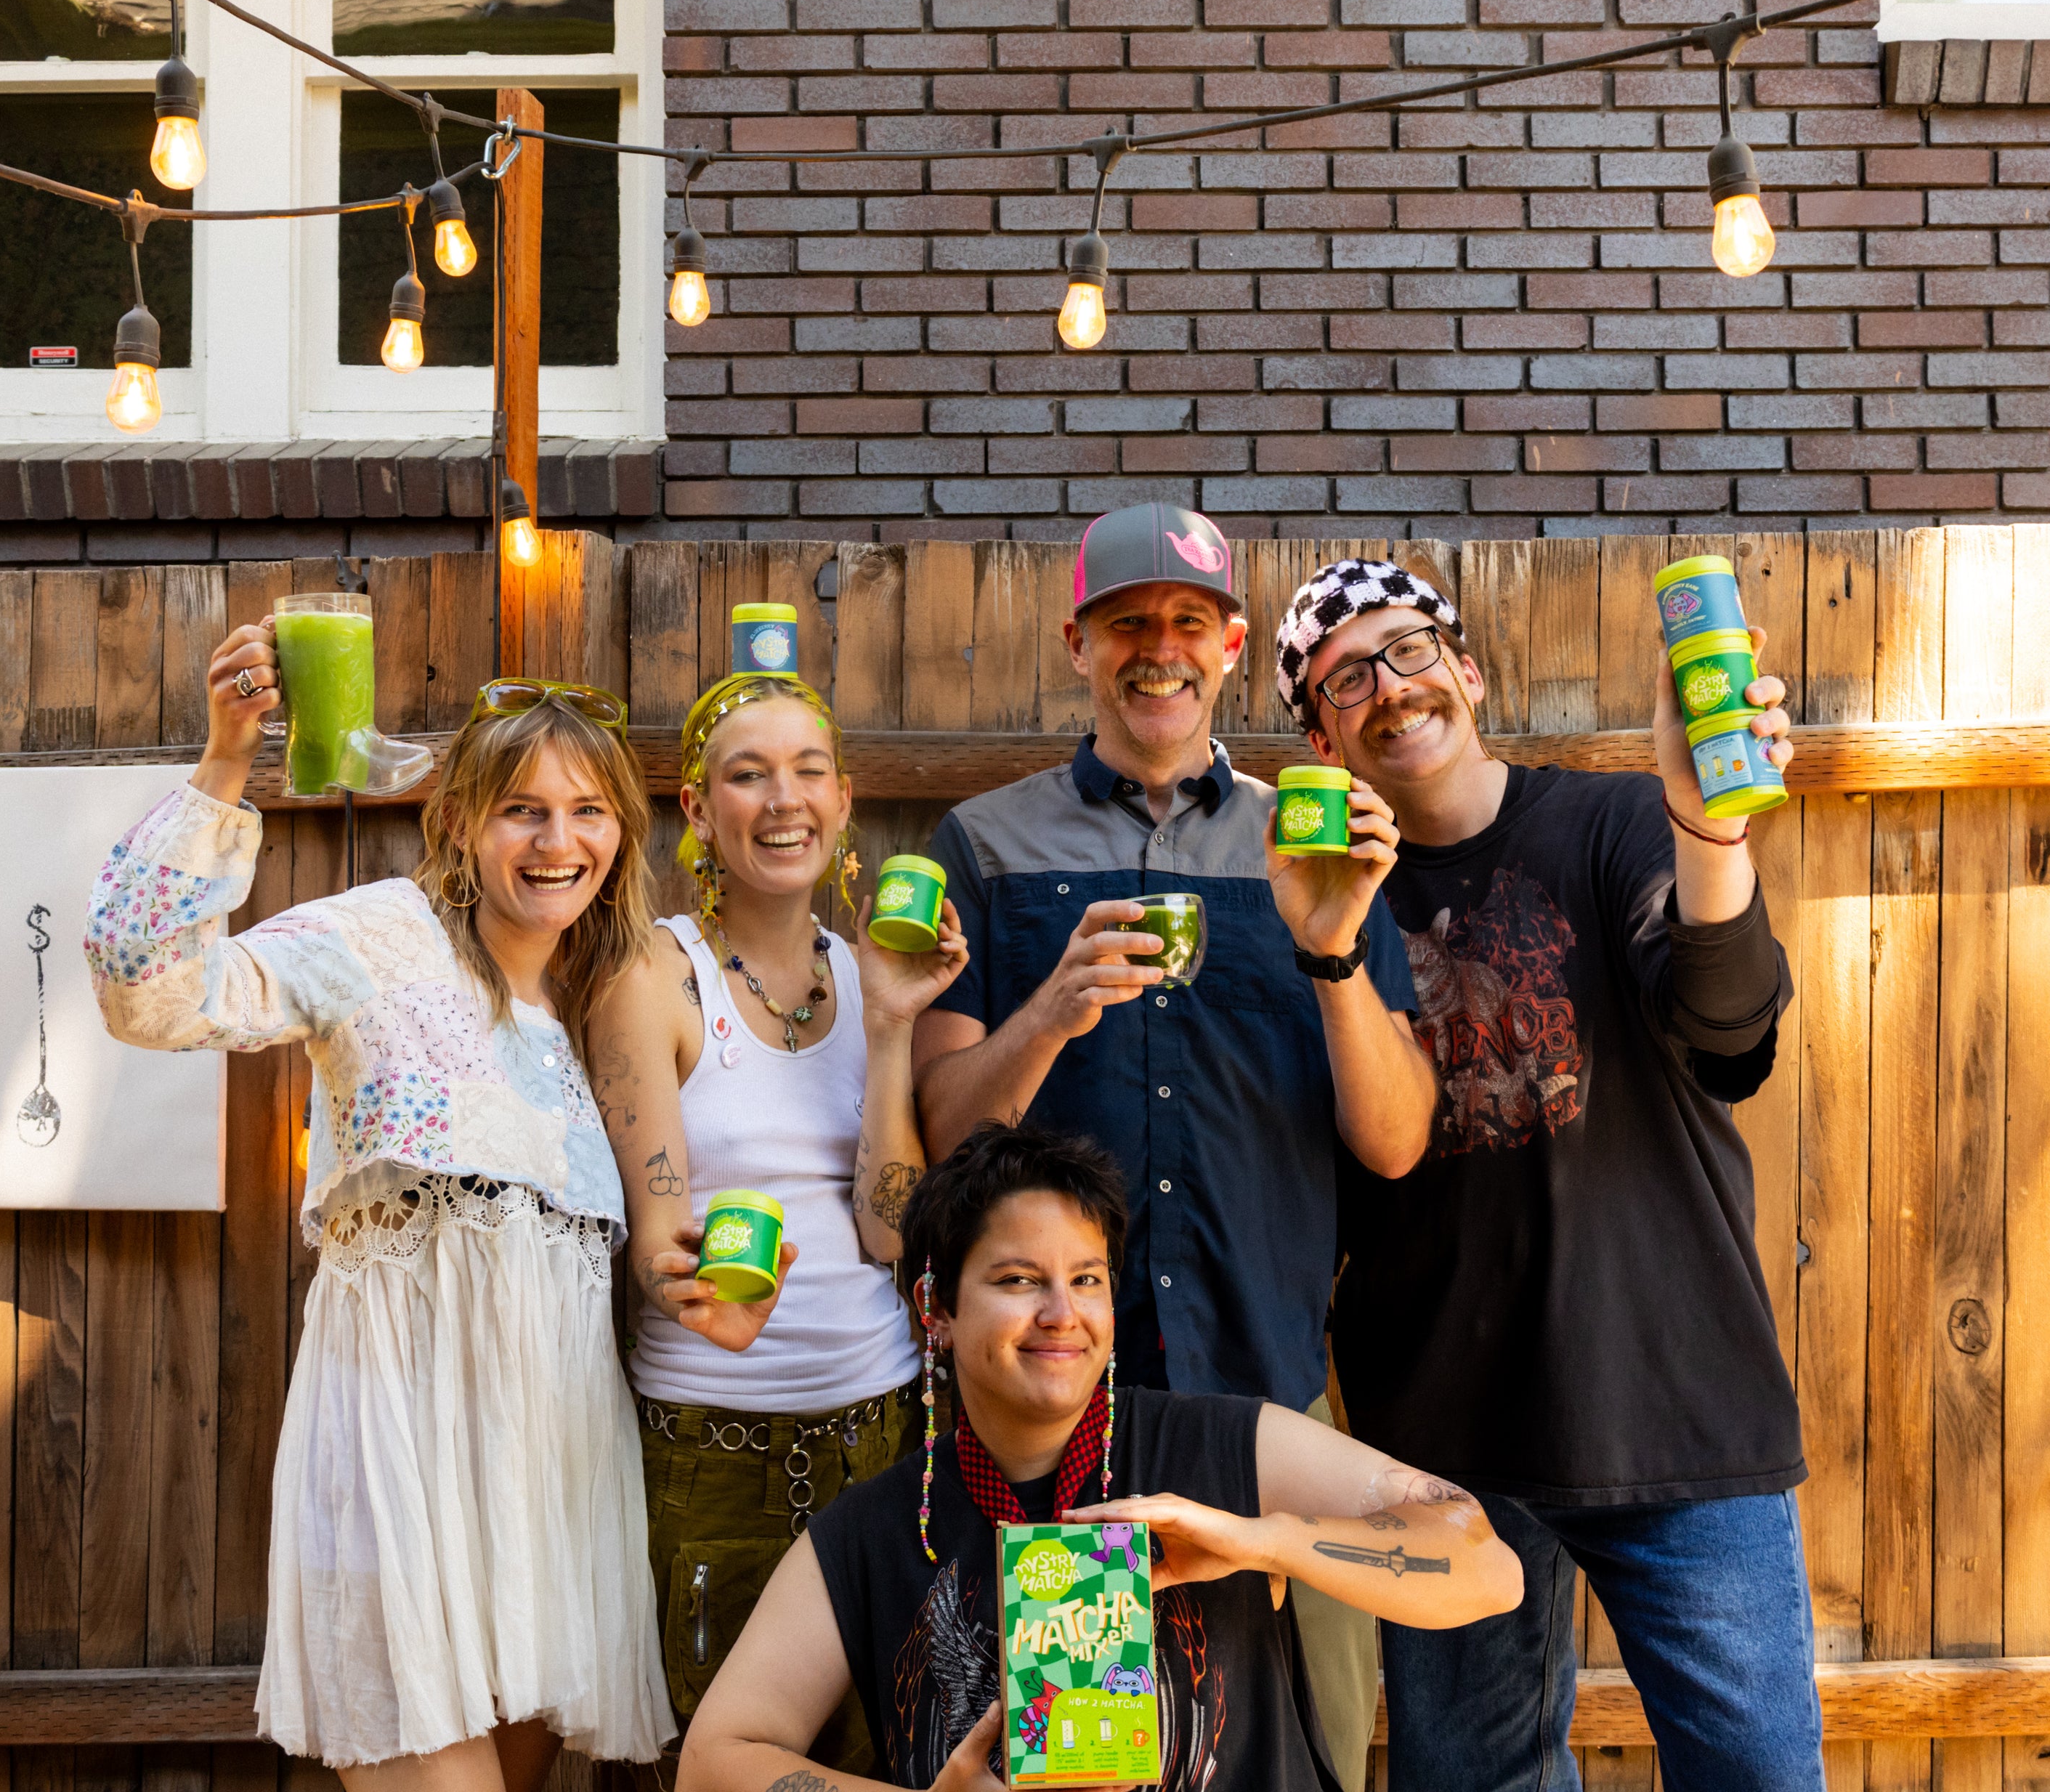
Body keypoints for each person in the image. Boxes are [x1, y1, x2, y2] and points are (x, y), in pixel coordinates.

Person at [86, 631, 676, 1791]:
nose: (559, 842)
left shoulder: (593, 1006)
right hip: (400, 1478)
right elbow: (144, 987)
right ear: (457, 822)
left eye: (588, 810)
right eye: (521, 810)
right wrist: (224, 763)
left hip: (546, 1499)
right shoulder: (378, 938)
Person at [908, 503, 1435, 1785]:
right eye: (1127, 623)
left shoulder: (1309, 841)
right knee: (1081, 1762)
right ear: (1076, 644)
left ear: (1232, 646)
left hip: (1270, 1410)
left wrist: (1335, 941)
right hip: (1067, 1420)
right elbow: (940, 1137)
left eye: (1188, 623)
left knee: (1307, 1756)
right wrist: (1052, 1009)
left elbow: (1397, 1142)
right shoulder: (984, 847)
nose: (1159, 649)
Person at [1273, 556, 1817, 1792]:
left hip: (1675, 1404)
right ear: (1320, 737)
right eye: (1345, 679)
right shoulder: (1313, 897)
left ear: (1468, 670)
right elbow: (1369, 1147)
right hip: (1445, 1437)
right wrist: (1332, 950)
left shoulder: (1617, 823)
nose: (1390, 687)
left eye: (1411, 651)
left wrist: (1708, 823)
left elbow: (1730, 1039)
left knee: (1762, 1780)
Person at [673, 1122, 1525, 1792]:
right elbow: (714, 1760)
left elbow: (1488, 1565)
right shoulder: (878, 1528)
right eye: (1016, 1280)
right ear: (935, 1306)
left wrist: (1260, 1541)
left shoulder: (1222, 1447)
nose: (1061, 1313)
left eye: (1087, 1279)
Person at [585, 669, 971, 1765]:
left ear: (846, 802)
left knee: (889, 1752)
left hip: (886, 1437)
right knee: (720, 1755)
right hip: (715, 1447)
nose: (783, 799)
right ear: (700, 812)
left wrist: (894, 1025)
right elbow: (656, 1232)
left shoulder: (865, 972)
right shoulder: (653, 972)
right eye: (746, 776)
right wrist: (687, 1286)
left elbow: (892, 1233)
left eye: (808, 772)